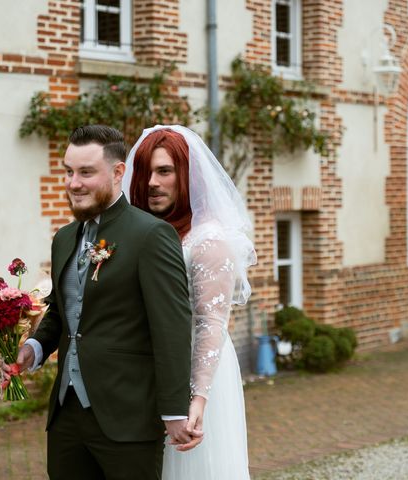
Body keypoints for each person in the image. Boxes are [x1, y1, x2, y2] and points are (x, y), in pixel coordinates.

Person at [1, 125, 198, 480]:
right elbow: (62, 314)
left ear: (118, 172)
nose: (73, 183)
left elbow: (171, 328)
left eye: (86, 172)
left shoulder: (151, 235)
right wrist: (32, 349)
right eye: (69, 171)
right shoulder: (63, 239)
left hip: (129, 417)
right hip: (65, 416)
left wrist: (173, 411)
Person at [123, 125, 257, 480]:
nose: (152, 181)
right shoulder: (136, 231)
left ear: (185, 175)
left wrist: (196, 399)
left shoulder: (208, 239)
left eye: (164, 171)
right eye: (145, 171)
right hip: (144, 370)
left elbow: (210, 322)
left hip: (195, 372)